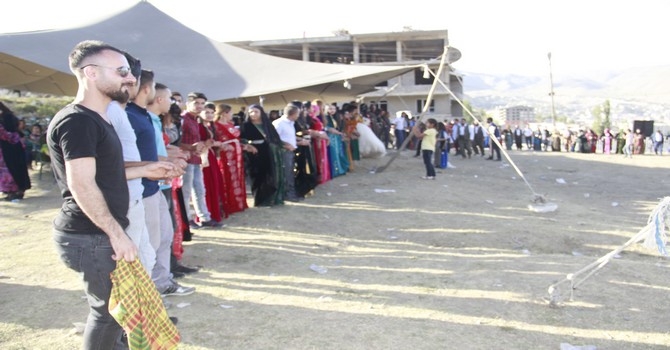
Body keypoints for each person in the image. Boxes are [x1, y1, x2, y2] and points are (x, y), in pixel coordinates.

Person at [46, 40, 176, 349]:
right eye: (121, 71)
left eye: (129, 72)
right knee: (107, 315)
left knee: (116, 315)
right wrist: (118, 235)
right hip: (90, 236)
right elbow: (82, 184)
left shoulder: (97, 117)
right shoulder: (76, 121)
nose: (130, 79)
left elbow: (104, 173)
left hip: (97, 233)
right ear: (90, 73)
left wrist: (146, 169)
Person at [178, 92, 219, 228]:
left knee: (200, 190)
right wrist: (190, 147)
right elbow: (175, 142)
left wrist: (204, 144)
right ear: (188, 104)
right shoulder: (182, 119)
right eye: (196, 103)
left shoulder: (195, 120)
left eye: (202, 103)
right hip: (185, 160)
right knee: (186, 192)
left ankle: (204, 217)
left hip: (195, 159)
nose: (199, 106)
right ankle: (187, 219)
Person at [240, 104, 285, 207]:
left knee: (268, 175)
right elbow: (241, 139)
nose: (253, 114)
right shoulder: (245, 125)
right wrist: (249, 145)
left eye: (256, 111)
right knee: (256, 176)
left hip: (267, 151)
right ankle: (259, 200)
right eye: (251, 112)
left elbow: (275, 138)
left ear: (261, 113)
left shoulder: (267, 125)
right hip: (252, 153)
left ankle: (269, 199)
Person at [213, 103, 248, 215]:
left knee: (237, 177)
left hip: (236, 155)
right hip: (225, 155)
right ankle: (229, 203)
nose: (232, 114)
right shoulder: (216, 125)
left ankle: (238, 202)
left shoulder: (230, 124)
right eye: (230, 112)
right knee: (227, 177)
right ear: (224, 113)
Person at [273, 104, 309, 202]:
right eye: (297, 114)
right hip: (283, 152)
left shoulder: (290, 123)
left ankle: (291, 193)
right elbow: (273, 139)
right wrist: (286, 145)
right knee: (287, 174)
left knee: (290, 173)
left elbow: (288, 136)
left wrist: (299, 140)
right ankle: (288, 194)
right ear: (292, 114)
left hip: (290, 152)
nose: (298, 116)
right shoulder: (279, 123)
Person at [0, 102, 31, 201]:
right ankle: (12, 192)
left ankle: (16, 191)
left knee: (12, 170)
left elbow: (7, 134)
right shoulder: (8, 115)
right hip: (10, 147)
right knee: (12, 169)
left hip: (10, 148)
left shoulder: (7, 116)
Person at [322, 104, 349, 177]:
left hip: (336, 138)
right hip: (330, 137)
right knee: (334, 153)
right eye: (330, 109)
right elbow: (329, 128)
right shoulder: (325, 117)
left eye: (333, 109)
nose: (332, 110)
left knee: (339, 153)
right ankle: (336, 170)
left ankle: (340, 169)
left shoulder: (335, 117)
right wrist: (339, 133)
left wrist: (340, 134)